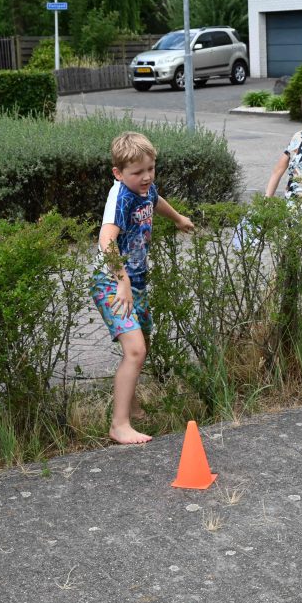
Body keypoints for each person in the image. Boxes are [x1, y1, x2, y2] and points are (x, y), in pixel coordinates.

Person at [91, 131, 194, 445]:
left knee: (141, 345)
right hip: (112, 282)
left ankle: (132, 407)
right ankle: (118, 424)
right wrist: (122, 283)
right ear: (118, 174)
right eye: (138, 173)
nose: (147, 177)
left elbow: (155, 199)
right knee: (135, 350)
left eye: (151, 169)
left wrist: (177, 218)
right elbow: (106, 240)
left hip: (136, 283)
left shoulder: (144, 187)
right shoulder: (120, 197)